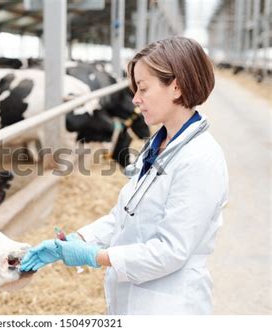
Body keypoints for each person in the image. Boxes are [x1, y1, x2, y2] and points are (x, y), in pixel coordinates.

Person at [20, 36, 229, 315]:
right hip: (134, 298)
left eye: (143, 88)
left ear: (176, 87)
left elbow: (171, 251)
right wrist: (78, 239)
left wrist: (96, 257)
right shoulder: (158, 144)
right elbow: (126, 214)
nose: (135, 99)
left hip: (170, 305)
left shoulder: (200, 158)